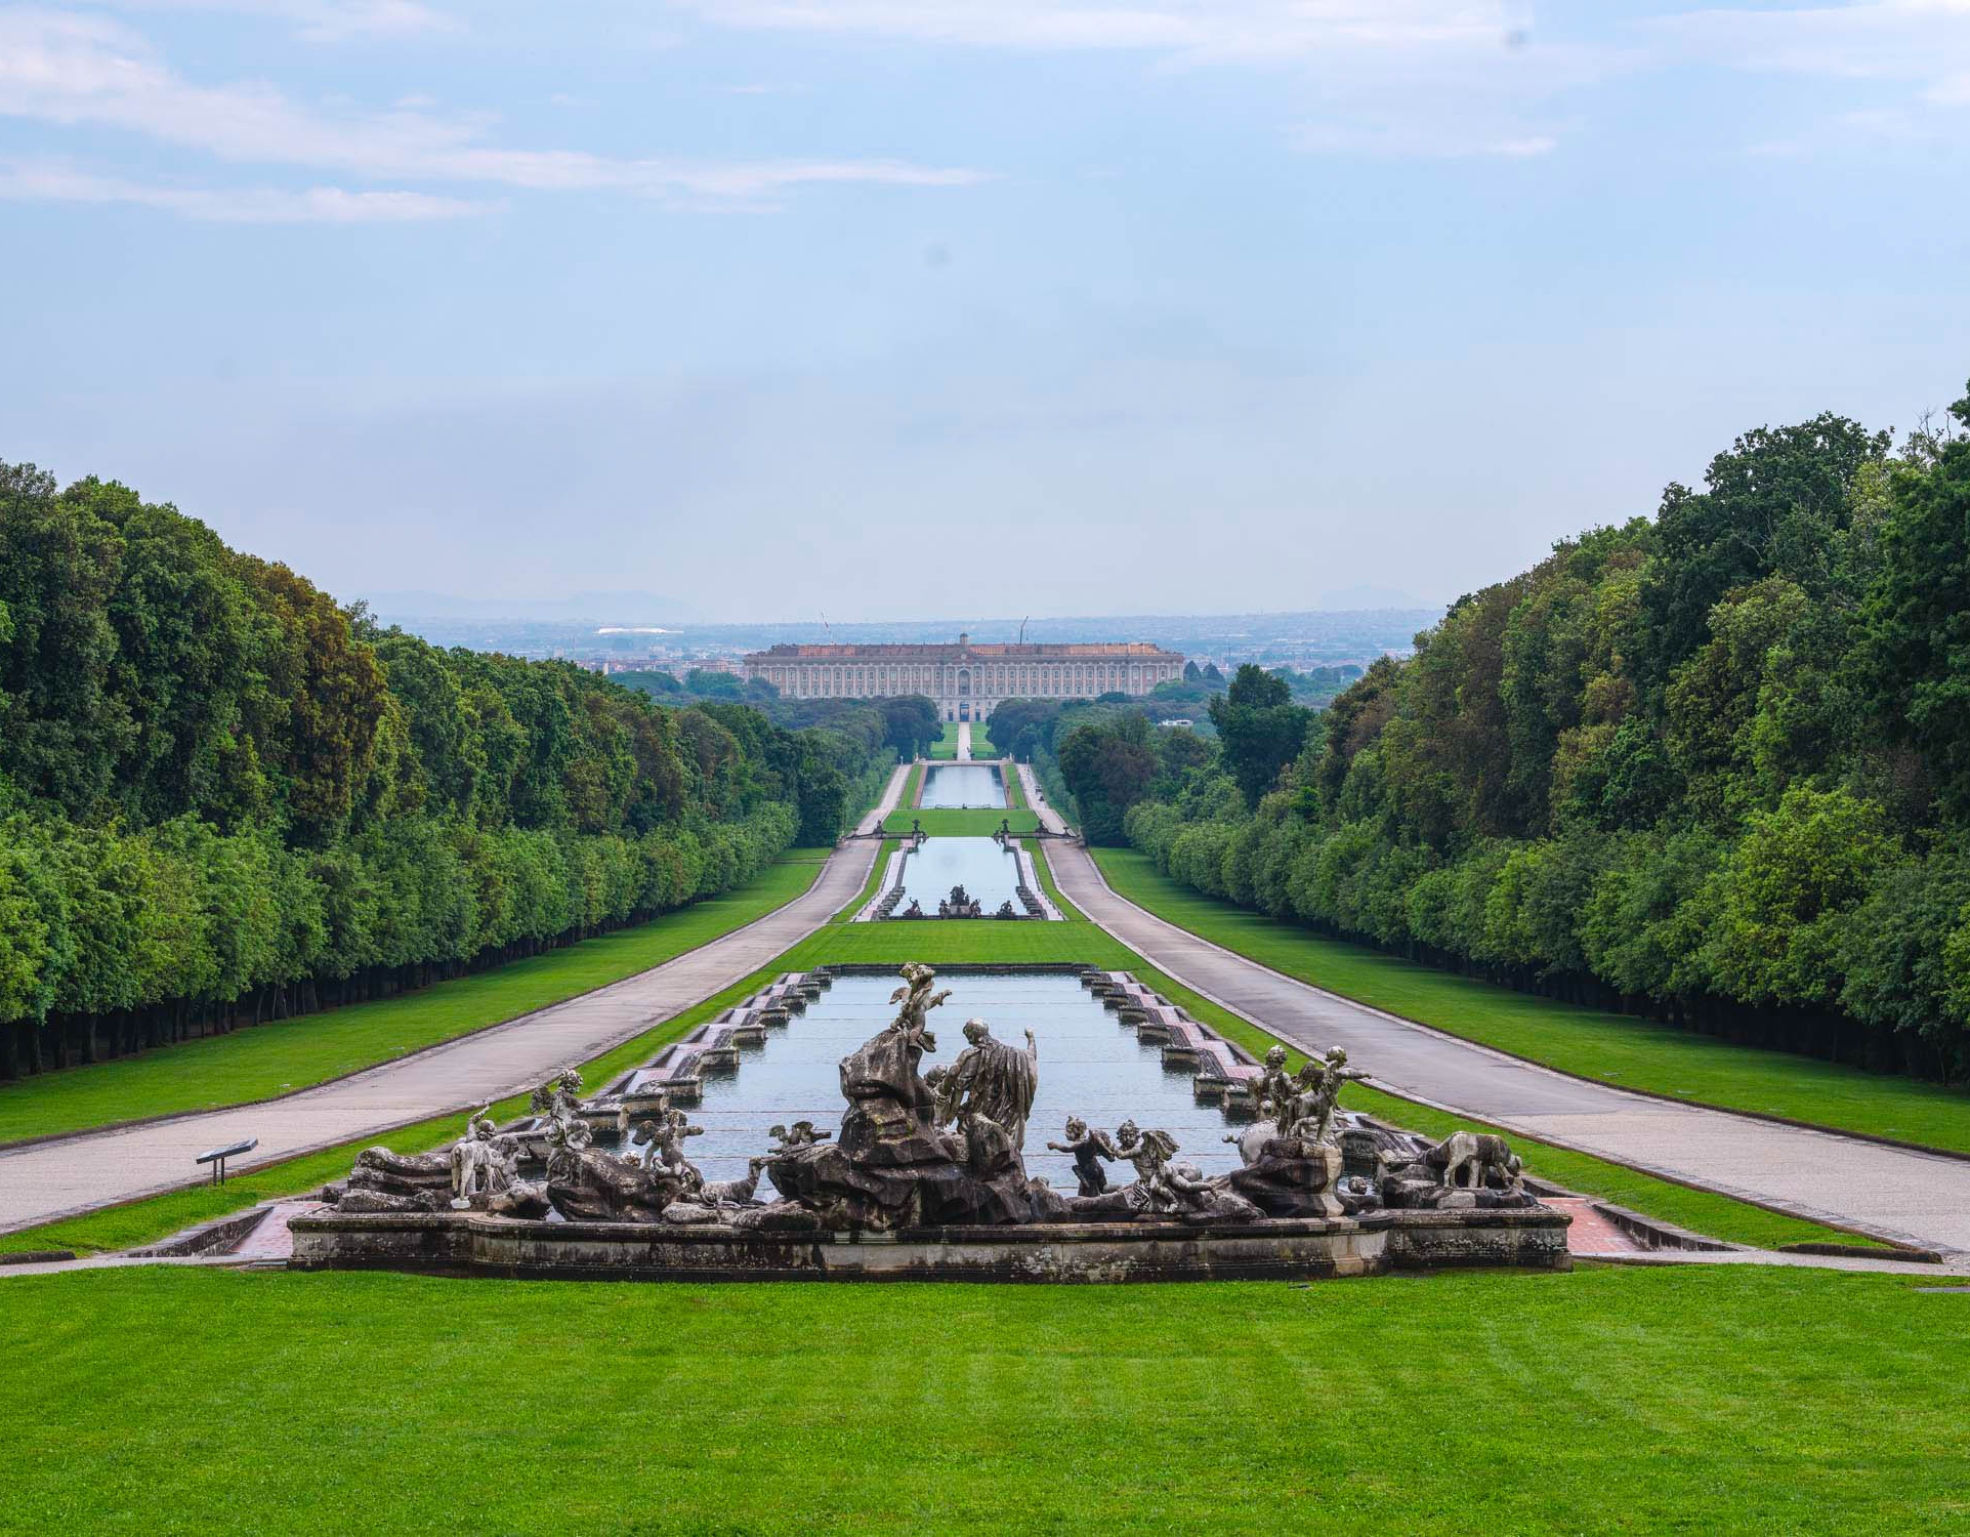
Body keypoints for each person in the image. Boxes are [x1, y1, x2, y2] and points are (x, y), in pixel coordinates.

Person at [1047, 1116, 1118, 1196]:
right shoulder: (1087, 1142)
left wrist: (1055, 1145)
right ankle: (1119, 1188)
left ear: (1075, 1132)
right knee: (1104, 1188)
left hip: (1089, 1171)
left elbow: (1067, 1149)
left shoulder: (1079, 1143)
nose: (1066, 1134)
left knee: (1086, 1195)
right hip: (1098, 1167)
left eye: (1069, 1132)